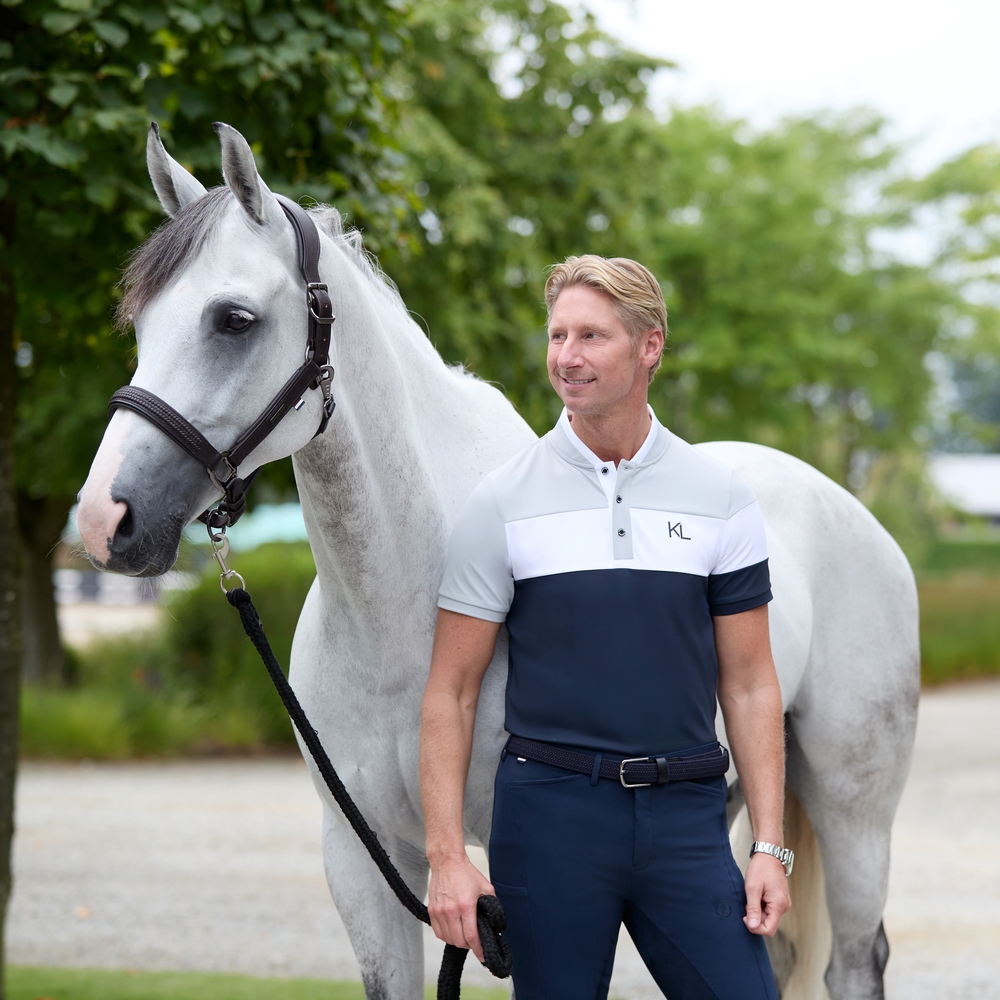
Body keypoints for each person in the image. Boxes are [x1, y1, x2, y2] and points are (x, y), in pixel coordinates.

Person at [420, 255, 791, 999]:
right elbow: (450, 693)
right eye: (557, 335)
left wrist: (769, 847)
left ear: (649, 345)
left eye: (591, 336)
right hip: (549, 820)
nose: (567, 356)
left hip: (686, 817)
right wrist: (447, 856)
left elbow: (751, 684)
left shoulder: (719, 498)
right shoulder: (501, 501)